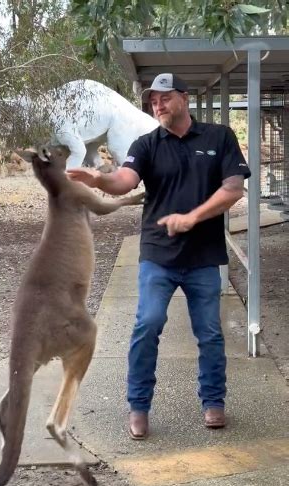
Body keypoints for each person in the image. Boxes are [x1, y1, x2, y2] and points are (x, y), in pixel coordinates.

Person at [67, 73, 251, 440]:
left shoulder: (219, 137)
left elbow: (233, 189)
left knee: (211, 334)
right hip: (158, 253)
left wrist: (193, 217)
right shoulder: (147, 143)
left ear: (184, 98)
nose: (158, 104)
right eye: (153, 100)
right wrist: (98, 180)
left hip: (203, 255)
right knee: (147, 325)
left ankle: (213, 402)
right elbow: (125, 179)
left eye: (165, 98)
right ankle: (138, 407)